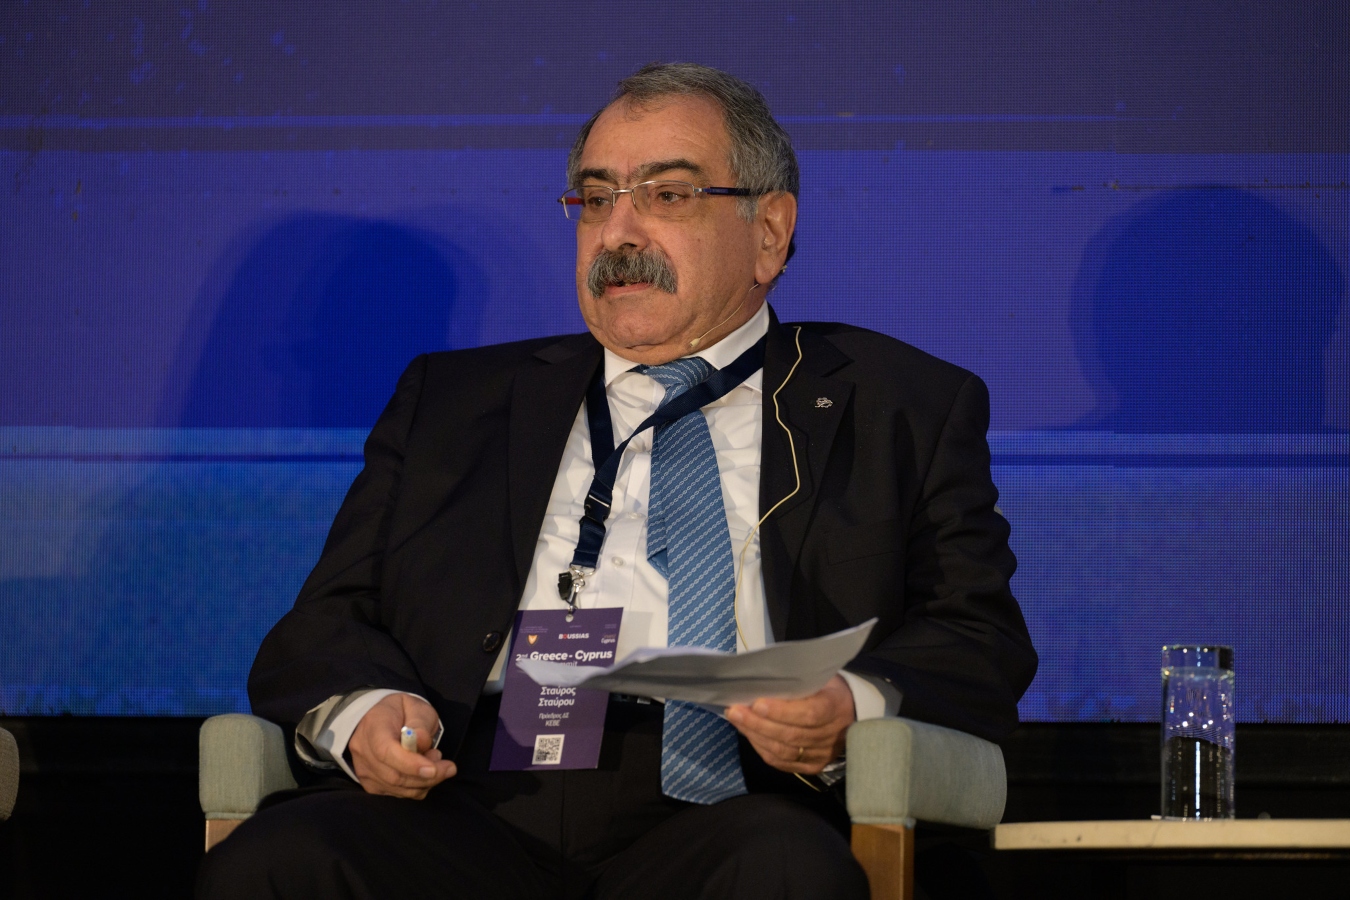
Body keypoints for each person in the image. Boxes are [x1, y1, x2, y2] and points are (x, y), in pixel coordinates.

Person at [197, 62, 1037, 900]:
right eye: (597, 199)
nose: (617, 233)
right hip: (466, 795)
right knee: (279, 860)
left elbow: (978, 640)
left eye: (668, 195)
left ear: (770, 232)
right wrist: (365, 711)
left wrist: (847, 708)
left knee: (784, 867)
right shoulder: (454, 403)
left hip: (740, 806)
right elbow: (326, 620)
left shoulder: (898, 404)